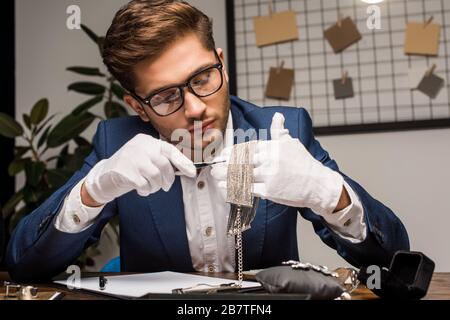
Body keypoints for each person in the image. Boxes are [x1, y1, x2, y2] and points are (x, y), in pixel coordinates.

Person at [6, 0, 409, 282]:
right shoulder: (117, 142)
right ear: (138, 106)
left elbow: (393, 258)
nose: (196, 108)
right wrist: (92, 191)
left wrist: (327, 191)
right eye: (165, 96)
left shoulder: (280, 129)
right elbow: (22, 265)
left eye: (202, 78)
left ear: (221, 61)